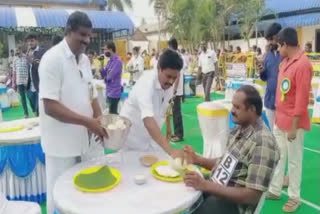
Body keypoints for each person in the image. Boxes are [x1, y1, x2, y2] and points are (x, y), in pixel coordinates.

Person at [38, 11, 106, 214]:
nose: (86, 41)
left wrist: (100, 118)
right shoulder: (52, 59)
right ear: (69, 31)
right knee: (59, 196)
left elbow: (91, 93)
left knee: (81, 198)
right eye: (82, 35)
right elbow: (50, 106)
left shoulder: (84, 60)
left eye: (89, 36)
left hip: (83, 144)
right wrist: (87, 122)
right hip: (60, 146)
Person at [183, 85, 280, 214]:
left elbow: (252, 195)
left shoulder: (263, 142)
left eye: (237, 107)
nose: (232, 111)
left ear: (252, 109)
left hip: (234, 206)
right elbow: (224, 164)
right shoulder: (238, 129)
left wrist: (206, 185)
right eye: (233, 106)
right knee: (185, 183)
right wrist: (197, 159)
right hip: (218, 188)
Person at [267, 27, 313, 213]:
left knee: (294, 160)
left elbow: (301, 100)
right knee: (279, 156)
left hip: (294, 123)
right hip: (280, 119)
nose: (278, 49)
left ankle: (295, 196)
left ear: (285, 44)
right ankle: (275, 189)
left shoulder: (303, 64)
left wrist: (294, 126)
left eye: (279, 46)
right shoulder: (285, 61)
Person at [120, 49, 184, 157]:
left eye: (175, 77)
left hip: (151, 140)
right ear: (159, 68)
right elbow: (148, 121)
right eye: (168, 76)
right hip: (132, 141)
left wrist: (168, 128)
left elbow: (166, 108)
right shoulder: (146, 82)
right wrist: (172, 151)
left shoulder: (168, 85)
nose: (171, 81)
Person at [259, 23, 282, 131]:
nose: (269, 43)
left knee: (281, 134)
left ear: (279, 36)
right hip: (269, 101)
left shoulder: (286, 54)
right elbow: (264, 78)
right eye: (267, 40)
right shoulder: (267, 55)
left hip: (283, 102)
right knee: (271, 132)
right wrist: (262, 71)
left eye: (271, 39)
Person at [26, 33, 46, 116]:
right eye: (28, 41)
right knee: (34, 108)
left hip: (40, 84)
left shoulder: (42, 51)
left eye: (32, 41)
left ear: (36, 41)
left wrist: (32, 61)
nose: (30, 43)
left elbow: (44, 66)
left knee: (39, 110)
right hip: (30, 86)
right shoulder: (28, 53)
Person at [100, 41, 123, 114]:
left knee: (112, 114)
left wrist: (105, 78)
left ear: (111, 49)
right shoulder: (109, 61)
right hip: (108, 91)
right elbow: (103, 74)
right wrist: (101, 63)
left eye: (106, 49)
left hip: (114, 92)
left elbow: (109, 77)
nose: (104, 51)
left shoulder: (118, 61)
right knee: (110, 113)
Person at [169, 38, 184, 143]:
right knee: (174, 112)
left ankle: (179, 134)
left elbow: (177, 75)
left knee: (176, 112)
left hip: (176, 89)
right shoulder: (177, 56)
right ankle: (176, 132)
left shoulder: (176, 57)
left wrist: (174, 89)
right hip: (175, 88)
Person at [14, 46, 29, 118]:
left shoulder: (26, 57)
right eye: (16, 50)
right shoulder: (15, 59)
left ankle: (35, 110)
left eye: (18, 50)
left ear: (21, 50)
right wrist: (14, 83)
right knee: (23, 98)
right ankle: (26, 113)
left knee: (29, 96)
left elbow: (29, 68)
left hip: (27, 80)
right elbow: (14, 71)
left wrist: (29, 79)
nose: (17, 52)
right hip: (19, 81)